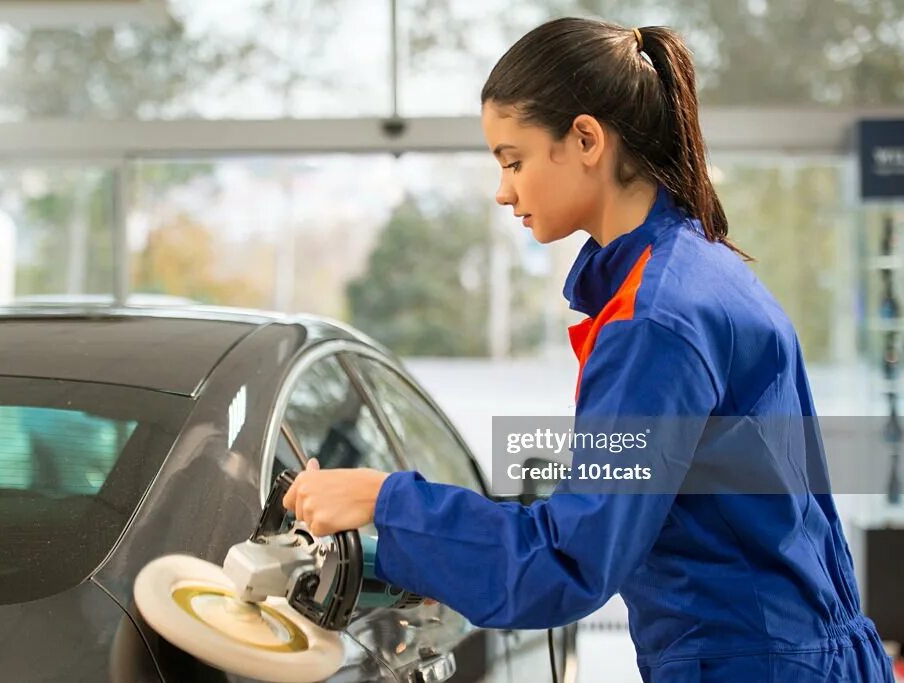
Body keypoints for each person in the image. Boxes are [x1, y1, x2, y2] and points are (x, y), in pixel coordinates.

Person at [282, 17, 894, 682]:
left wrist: (385, 500)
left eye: (513, 160)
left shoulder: (655, 319)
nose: (503, 189)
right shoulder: (698, 270)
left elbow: (567, 564)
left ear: (584, 139)